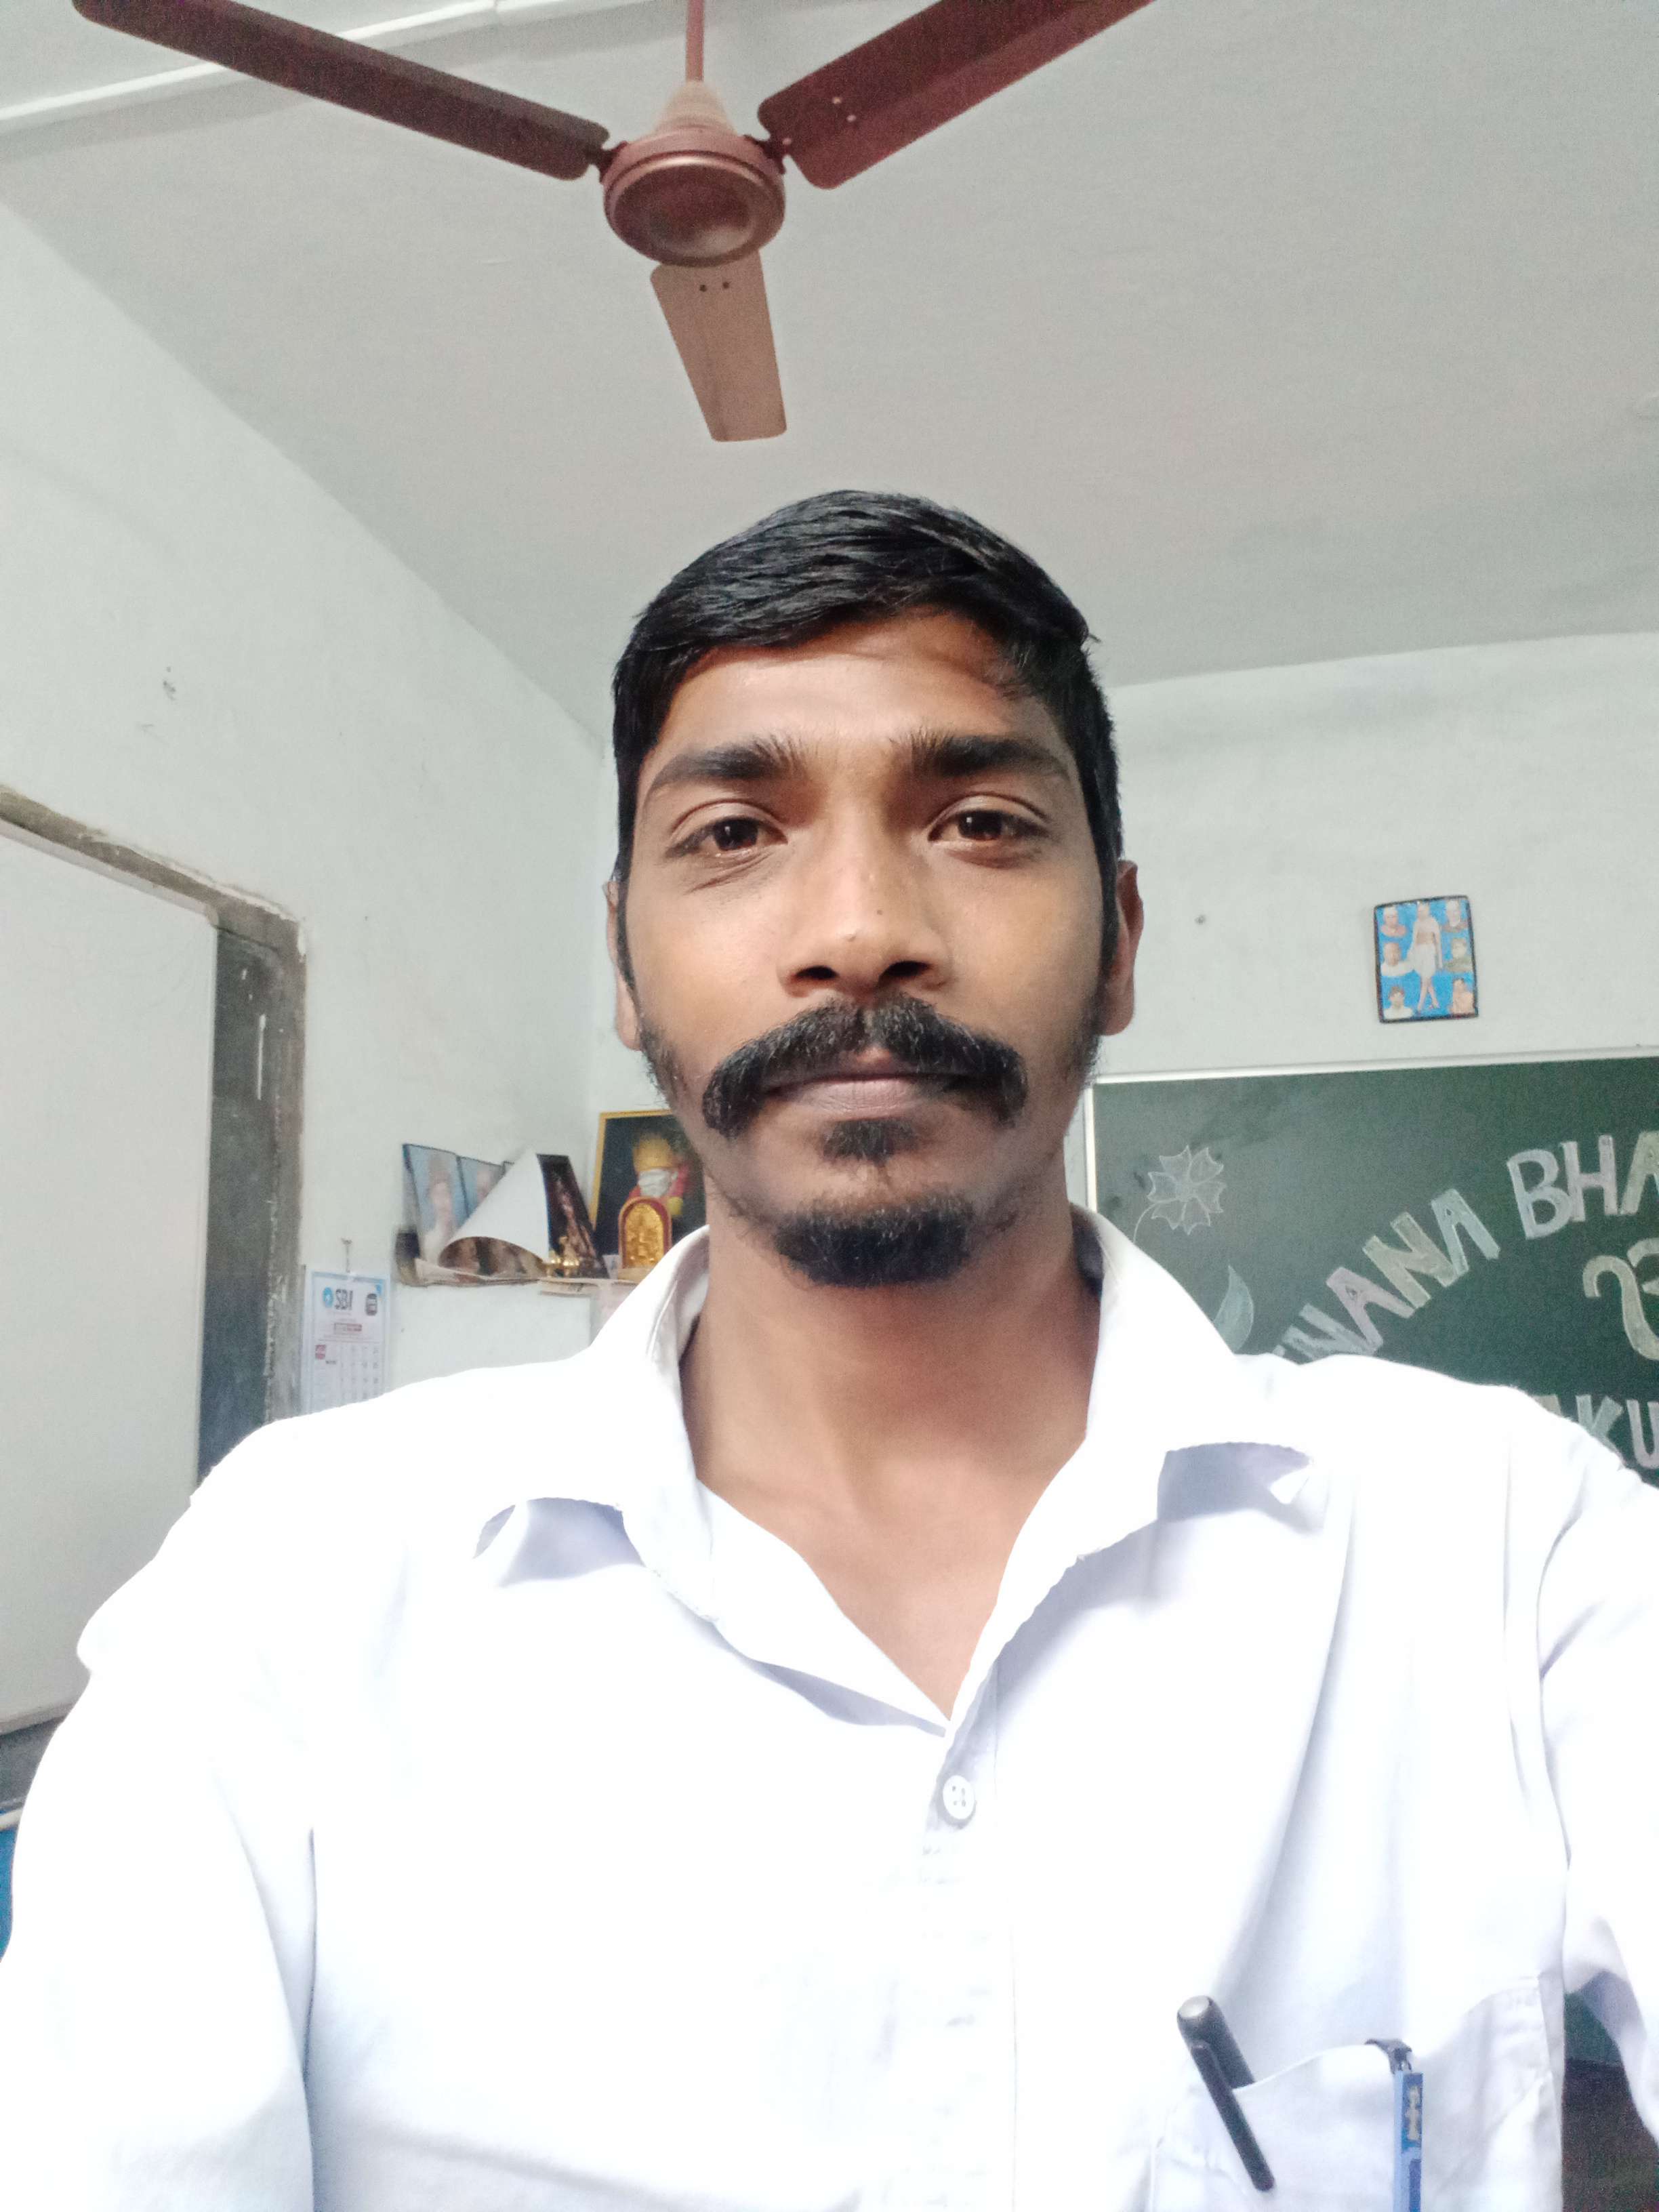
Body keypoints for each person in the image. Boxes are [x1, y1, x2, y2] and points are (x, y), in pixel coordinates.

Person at [2, 491, 1656, 2209]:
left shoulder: (1506, 1542)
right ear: (624, 966)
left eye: (983, 822)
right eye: (734, 833)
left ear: (1121, 944)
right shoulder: (291, 1583)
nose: (860, 929)